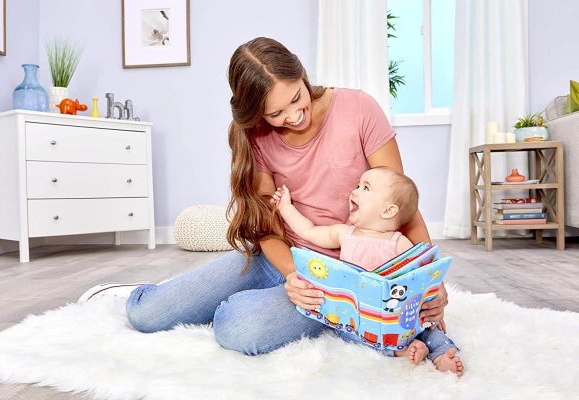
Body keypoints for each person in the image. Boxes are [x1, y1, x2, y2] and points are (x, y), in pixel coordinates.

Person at [78, 36, 450, 362]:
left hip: (342, 277)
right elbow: (266, 223)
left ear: (302, 74)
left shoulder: (358, 108)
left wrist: (428, 284)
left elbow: (402, 207)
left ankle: (327, 316)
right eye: (276, 113)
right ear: (257, 113)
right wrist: (291, 275)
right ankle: (164, 292)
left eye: (296, 98)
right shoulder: (256, 137)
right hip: (280, 259)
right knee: (147, 315)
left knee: (236, 328)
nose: (294, 116)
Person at [272, 167, 463, 375]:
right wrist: (285, 208)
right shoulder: (344, 234)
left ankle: (443, 353)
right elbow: (307, 231)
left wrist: (431, 301)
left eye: (365, 188)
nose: (354, 191)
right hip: (361, 319)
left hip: (399, 317)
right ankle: (403, 351)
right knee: (349, 333)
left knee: (428, 329)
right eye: (357, 186)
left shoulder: (399, 243)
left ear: (388, 211)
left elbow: (422, 276)